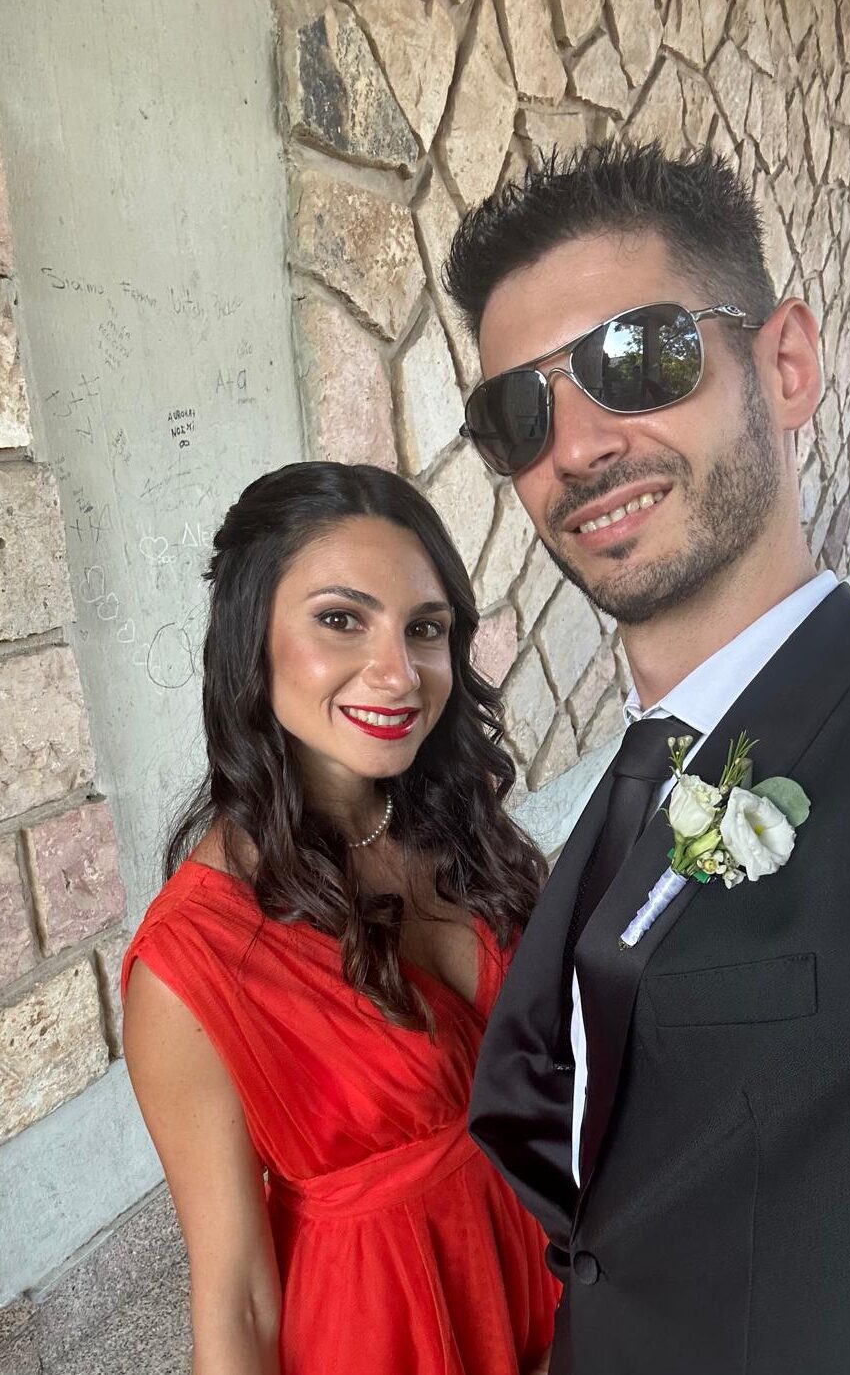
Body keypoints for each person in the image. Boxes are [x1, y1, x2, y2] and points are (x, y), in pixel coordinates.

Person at [444, 143, 850, 1375]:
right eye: (519, 414)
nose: (576, 446)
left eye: (637, 357)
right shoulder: (641, 771)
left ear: (786, 365)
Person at [121, 463, 559, 1375]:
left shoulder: (460, 830)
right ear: (251, 638)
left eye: (424, 629)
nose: (398, 674)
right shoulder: (192, 963)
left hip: (560, 1292)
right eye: (340, 620)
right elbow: (236, 1296)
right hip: (389, 1341)